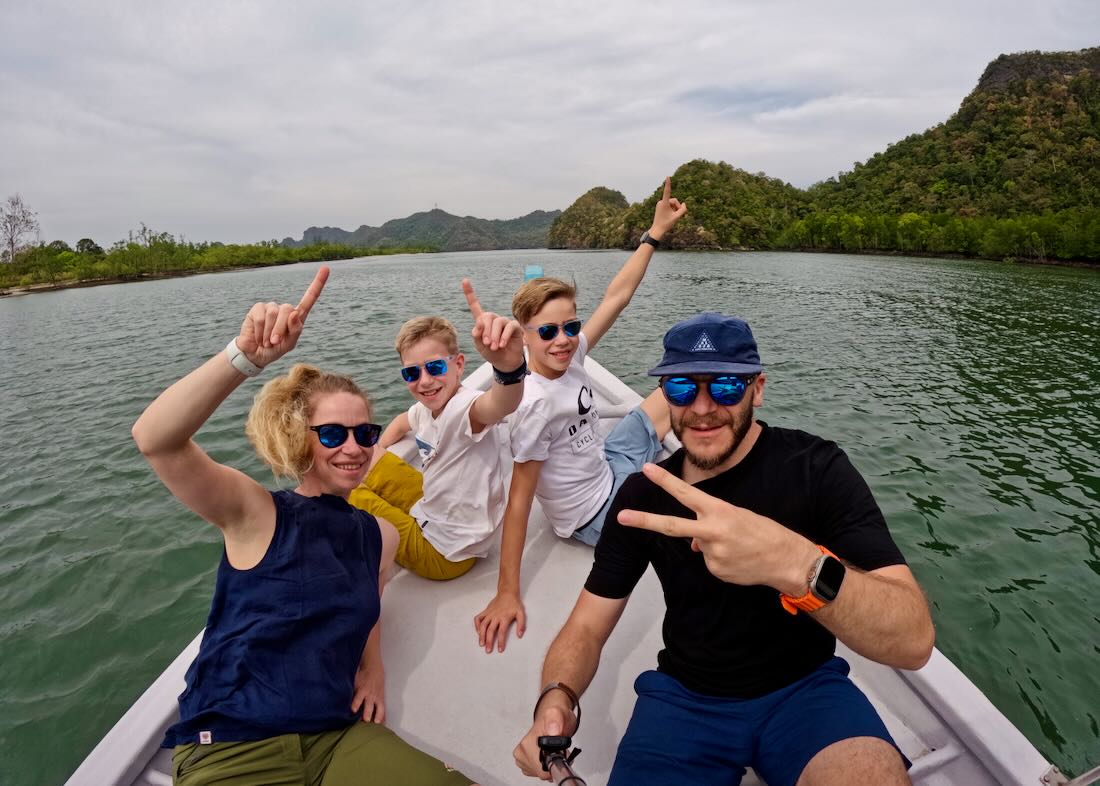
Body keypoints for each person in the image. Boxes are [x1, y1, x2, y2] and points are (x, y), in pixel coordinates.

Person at [513, 312, 936, 786]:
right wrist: (556, 698)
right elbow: (587, 626)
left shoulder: (816, 470)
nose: (702, 407)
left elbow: (914, 640)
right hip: (685, 697)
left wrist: (796, 564)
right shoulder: (646, 495)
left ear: (758, 388)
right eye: (681, 389)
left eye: (727, 387)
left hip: (806, 688)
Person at [132, 267, 477, 786]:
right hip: (233, 745)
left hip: (336, 733)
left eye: (365, 432)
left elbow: (369, 602)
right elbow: (156, 439)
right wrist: (243, 359)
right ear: (300, 438)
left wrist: (373, 668)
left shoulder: (377, 535)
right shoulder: (256, 513)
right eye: (334, 433)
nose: (355, 446)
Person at [473, 176, 688, 653]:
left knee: (678, 392)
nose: (563, 338)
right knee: (686, 512)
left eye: (570, 325)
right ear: (523, 338)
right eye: (547, 331)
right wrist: (507, 591)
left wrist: (653, 235)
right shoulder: (531, 406)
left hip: (609, 461)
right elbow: (519, 502)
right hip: (592, 512)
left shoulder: (573, 355)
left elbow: (617, 296)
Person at [349, 280, 526, 581]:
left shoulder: (464, 409)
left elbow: (499, 405)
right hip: (437, 509)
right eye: (411, 373)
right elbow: (403, 422)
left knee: (351, 494)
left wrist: (509, 369)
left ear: (458, 364)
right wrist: (380, 448)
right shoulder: (425, 409)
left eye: (435, 368)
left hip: (445, 552)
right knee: (369, 457)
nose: (425, 381)